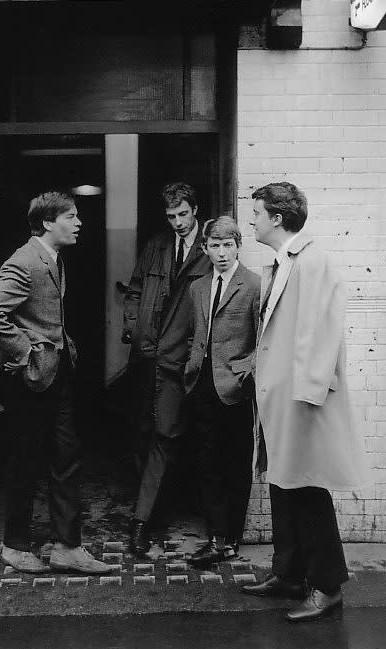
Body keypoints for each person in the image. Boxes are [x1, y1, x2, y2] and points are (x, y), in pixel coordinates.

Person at [242, 182, 368, 622]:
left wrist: (308, 395)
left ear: (277, 218)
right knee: (283, 484)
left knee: (308, 489)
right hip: (278, 397)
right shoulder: (284, 262)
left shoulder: (313, 262)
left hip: (300, 399)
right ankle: (290, 573)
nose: (251, 220)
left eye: (256, 212)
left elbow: (323, 331)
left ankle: (327, 586)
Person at [0, 192, 109, 575]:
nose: (79, 222)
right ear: (48, 223)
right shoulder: (24, 261)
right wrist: (26, 349)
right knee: (25, 461)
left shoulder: (52, 259)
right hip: (31, 377)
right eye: (72, 215)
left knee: (66, 457)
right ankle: (15, 547)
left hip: (56, 373)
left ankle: (67, 547)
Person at [122, 182, 211, 555]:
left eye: (183, 215)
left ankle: (141, 520)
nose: (177, 222)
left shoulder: (210, 251)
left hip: (179, 362)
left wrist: (193, 352)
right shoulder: (157, 246)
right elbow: (136, 289)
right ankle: (153, 509)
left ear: (195, 211)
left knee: (166, 435)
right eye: (171, 216)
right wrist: (132, 325)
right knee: (144, 432)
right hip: (146, 357)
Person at [183, 216, 260, 568]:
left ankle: (230, 537)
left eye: (228, 245)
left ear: (238, 246)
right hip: (202, 385)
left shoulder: (255, 285)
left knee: (236, 462)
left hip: (235, 388)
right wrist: (190, 366)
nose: (222, 253)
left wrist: (248, 367)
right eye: (215, 245)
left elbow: (266, 337)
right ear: (205, 249)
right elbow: (193, 334)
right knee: (207, 463)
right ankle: (217, 538)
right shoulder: (197, 287)